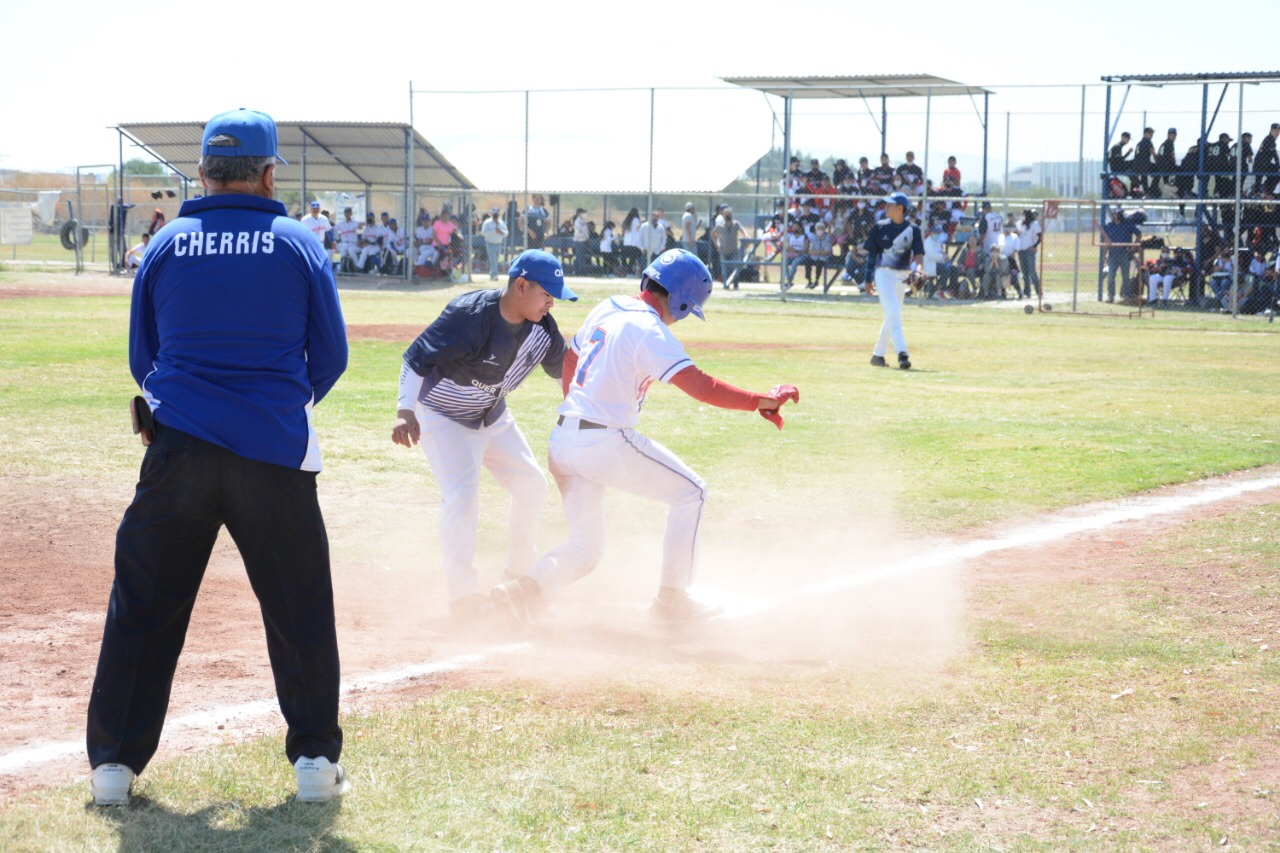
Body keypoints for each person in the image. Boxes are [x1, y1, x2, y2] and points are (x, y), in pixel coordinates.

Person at [86, 108, 350, 807]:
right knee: (299, 609)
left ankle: (113, 767)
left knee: (143, 604)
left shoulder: (168, 243)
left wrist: (185, 406)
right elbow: (331, 358)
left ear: (201, 173)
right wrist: (274, 407)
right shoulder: (298, 241)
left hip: (178, 453)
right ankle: (315, 764)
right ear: (268, 174)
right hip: (274, 455)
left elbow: (144, 357)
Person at [488, 249, 798, 628]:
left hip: (563, 439)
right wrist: (760, 402)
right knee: (691, 493)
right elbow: (700, 386)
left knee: (586, 548)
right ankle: (672, 602)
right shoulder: (650, 329)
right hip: (602, 442)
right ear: (682, 301)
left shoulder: (609, 306)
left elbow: (570, 357)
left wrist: (578, 401)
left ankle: (523, 593)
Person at [391, 250, 576, 619]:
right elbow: (415, 359)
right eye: (546, 293)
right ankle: (462, 596)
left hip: (490, 413)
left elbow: (563, 376)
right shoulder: (470, 316)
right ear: (521, 285)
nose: (551, 302)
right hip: (443, 415)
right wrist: (405, 410)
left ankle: (516, 576)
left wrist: (583, 414)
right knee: (462, 496)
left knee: (532, 486)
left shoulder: (543, 328)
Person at [865, 192, 923, 369]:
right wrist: (868, 279)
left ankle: (878, 355)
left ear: (900, 208)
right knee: (894, 311)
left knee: (892, 314)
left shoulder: (913, 230)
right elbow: (872, 255)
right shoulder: (880, 227)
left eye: (890, 204)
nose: (886, 207)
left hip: (902, 275)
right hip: (883, 273)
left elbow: (919, 253)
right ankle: (902, 353)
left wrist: (919, 269)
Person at [1100, 207, 1147, 303]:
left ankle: (1126, 296)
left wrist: (1133, 246)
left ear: (1120, 215)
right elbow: (1106, 241)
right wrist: (1104, 255)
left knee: (1125, 276)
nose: (1114, 215)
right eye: (1113, 214)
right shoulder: (1110, 226)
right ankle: (1111, 296)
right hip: (1113, 255)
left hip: (1125, 254)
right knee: (1111, 275)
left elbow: (1139, 234)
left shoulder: (1127, 225)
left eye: (1116, 214)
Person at [712, 206, 746, 289]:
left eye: (729, 214)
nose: (728, 216)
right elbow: (713, 235)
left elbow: (743, 230)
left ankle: (735, 285)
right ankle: (726, 285)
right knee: (724, 269)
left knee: (734, 267)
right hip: (723, 250)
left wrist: (746, 236)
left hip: (733, 250)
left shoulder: (736, 224)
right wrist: (717, 245)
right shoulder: (720, 226)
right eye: (726, 214)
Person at [1016, 209, 1042, 298]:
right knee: (1024, 272)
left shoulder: (1034, 224)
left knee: (1032, 271)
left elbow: (1040, 237)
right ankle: (1027, 291)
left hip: (1030, 250)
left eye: (1023, 215)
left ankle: (1038, 290)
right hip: (1021, 250)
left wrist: (1034, 246)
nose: (1021, 216)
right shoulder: (1020, 224)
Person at [481, 207, 509, 281]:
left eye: (497, 213)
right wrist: (494, 231)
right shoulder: (487, 222)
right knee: (492, 260)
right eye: (494, 213)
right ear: (491, 213)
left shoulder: (502, 223)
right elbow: (484, 232)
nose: (495, 215)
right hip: (490, 243)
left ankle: (492, 275)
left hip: (499, 244)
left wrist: (501, 232)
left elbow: (506, 233)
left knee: (496, 260)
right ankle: (494, 275)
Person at [1254, 123, 1280, 195]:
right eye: (1275, 131)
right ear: (1271, 131)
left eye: (1278, 131)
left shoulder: (1268, 139)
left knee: (1259, 182)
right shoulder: (1270, 139)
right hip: (1262, 164)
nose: (1277, 133)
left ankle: (1261, 190)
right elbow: (1275, 155)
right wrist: (1278, 166)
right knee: (1277, 175)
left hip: (1261, 164)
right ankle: (1266, 191)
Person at [1154, 128, 1178, 197]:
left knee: (1166, 177)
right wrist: (1174, 163)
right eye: (1171, 135)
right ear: (1168, 135)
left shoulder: (1164, 143)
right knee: (1180, 169)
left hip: (1161, 165)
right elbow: (1172, 156)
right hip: (1166, 165)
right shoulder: (1170, 143)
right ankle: (1172, 188)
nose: (1173, 136)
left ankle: (1168, 186)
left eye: (1174, 135)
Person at [1132, 128, 1156, 193]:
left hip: (1136, 166)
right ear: (1144, 134)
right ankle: (1153, 189)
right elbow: (1153, 154)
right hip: (1145, 165)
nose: (1151, 135)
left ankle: (1144, 191)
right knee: (1158, 169)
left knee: (1144, 176)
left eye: (1152, 133)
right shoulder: (1148, 142)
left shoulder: (1139, 143)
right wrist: (1158, 162)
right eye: (1149, 133)